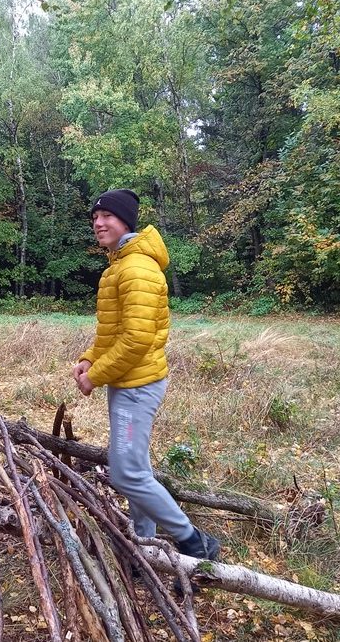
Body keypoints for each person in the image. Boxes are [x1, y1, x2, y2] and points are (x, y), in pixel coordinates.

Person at [73, 188, 221, 573]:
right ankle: (145, 545)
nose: (98, 224)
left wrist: (97, 377)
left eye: (106, 217)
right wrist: (90, 357)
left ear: (125, 222)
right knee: (135, 467)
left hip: (137, 387)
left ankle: (194, 542)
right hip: (127, 382)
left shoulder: (136, 268)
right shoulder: (119, 266)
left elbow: (136, 340)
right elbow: (113, 331)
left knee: (126, 473)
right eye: (94, 218)